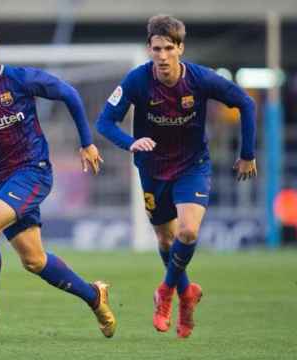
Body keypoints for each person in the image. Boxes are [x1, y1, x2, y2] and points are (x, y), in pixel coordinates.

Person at [0, 22, 116, 339]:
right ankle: (94, 295)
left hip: (34, 171)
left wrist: (86, 142)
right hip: (2, 179)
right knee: (34, 260)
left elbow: (69, 93)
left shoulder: (20, 79)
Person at [96, 14, 257, 338]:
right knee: (165, 240)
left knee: (187, 232)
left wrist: (247, 154)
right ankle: (186, 293)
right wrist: (130, 143)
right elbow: (104, 122)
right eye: (156, 49)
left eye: (169, 48)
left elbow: (245, 103)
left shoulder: (200, 79)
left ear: (180, 48)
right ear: (149, 49)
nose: (162, 56)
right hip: (153, 169)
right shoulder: (136, 81)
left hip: (192, 166)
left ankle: (166, 292)